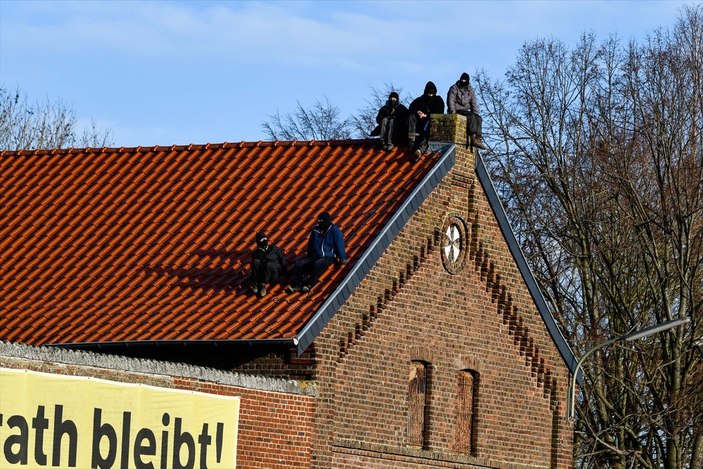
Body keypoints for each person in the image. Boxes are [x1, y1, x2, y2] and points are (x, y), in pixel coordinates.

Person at [287, 212, 347, 293]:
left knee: (318, 264)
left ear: (326, 221)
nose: (319, 223)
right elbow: (310, 244)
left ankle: (309, 284)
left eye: (321, 221)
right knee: (299, 264)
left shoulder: (335, 231)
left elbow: (339, 244)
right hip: (314, 256)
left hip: (328, 257)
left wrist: (342, 258)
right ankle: (297, 285)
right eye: (318, 221)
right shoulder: (316, 230)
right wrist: (309, 256)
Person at [447, 72, 487, 150]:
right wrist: (453, 113)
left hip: (466, 110)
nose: (463, 81)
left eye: (465, 80)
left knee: (478, 118)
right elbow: (450, 101)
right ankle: (473, 137)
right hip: (457, 110)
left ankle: (478, 138)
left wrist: (475, 113)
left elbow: (474, 103)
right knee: (471, 117)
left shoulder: (470, 90)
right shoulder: (454, 88)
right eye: (462, 79)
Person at [408, 81, 445, 162]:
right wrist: (418, 112)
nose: (430, 96)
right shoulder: (420, 100)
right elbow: (411, 107)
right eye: (429, 94)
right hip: (419, 123)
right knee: (411, 116)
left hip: (431, 122)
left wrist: (427, 115)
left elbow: (439, 113)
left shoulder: (438, 100)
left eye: (432, 94)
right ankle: (412, 139)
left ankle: (420, 150)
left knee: (426, 133)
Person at [250, 231, 285, 297]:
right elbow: (254, 268)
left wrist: (285, 272)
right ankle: (255, 283)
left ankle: (263, 285)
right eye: (262, 240)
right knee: (255, 261)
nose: (264, 241)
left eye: (265, 239)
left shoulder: (273, 248)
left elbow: (282, 260)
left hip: (274, 273)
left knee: (268, 264)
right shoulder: (256, 253)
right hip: (263, 274)